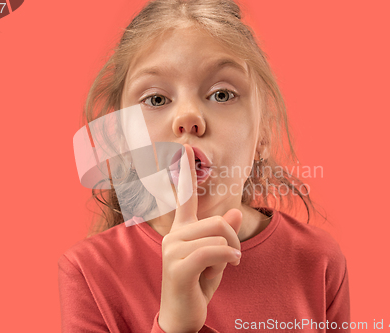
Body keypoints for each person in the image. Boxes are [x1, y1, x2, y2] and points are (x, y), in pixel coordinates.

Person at [58, 0, 351, 332]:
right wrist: (175, 325)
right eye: (156, 99)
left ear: (263, 134)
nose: (188, 119)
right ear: (124, 141)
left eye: (222, 94)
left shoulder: (318, 260)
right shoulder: (88, 271)